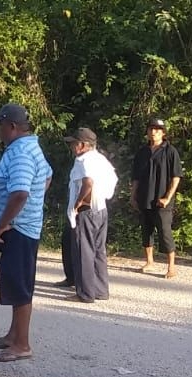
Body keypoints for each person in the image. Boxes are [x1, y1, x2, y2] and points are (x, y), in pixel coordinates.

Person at [0, 104, 52, 361]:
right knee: (14, 283)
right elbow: (47, 177)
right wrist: (33, 205)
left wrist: (4, 222)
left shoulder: (21, 153)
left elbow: (20, 192)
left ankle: (22, 344)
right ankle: (13, 335)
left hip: (17, 229)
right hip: (22, 225)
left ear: (11, 126)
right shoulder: (31, 147)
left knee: (20, 286)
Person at [66, 127, 118, 304]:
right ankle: (101, 290)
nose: (72, 147)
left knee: (84, 251)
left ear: (82, 145)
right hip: (101, 208)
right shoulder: (100, 159)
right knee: (98, 250)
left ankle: (85, 293)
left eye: (73, 143)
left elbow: (88, 181)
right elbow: (113, 178)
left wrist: (79, 201)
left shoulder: (83, 160)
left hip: (86, 210)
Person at [130, 117, 183, 279]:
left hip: (162, 199)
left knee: (165, 231)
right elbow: (136, 177)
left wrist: (167, 197)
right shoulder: (142, 152)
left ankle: (171, 266)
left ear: (163, 133)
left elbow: (176, 177)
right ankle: (149, 261)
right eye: (151, 129)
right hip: (144, 197)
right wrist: (133, 196)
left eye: (157, 130)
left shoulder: (170, 151)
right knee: (146, 230)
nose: (153, 132)